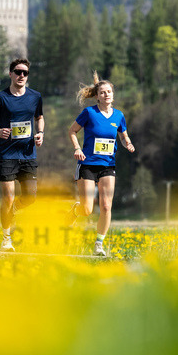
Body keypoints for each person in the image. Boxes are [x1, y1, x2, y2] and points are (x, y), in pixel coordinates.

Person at [67, 73, 134, 256]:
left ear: (113, 94)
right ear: (97, 96)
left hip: (107, 166)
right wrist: (77, 148)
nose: (106, 95)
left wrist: (127, 142)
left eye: (109, 92)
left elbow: (123, 134)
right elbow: (72, 131)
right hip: (87, 164)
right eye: (103, 92)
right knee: (87, 209)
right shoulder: (89, 113)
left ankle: (99, 244)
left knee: (106, 206)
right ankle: (75, 210)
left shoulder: (119, 115)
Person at [0, 57, 44, 252]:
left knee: (31, 197)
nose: (21, 76)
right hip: (7, 154)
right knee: (7, 197)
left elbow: (39, 117)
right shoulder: (0, 98)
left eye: (25, 73)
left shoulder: (35, 96)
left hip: (28, 154)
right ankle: (6, 239)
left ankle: (13, 212)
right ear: (10, 74)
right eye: (18, 72)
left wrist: (41, 133)